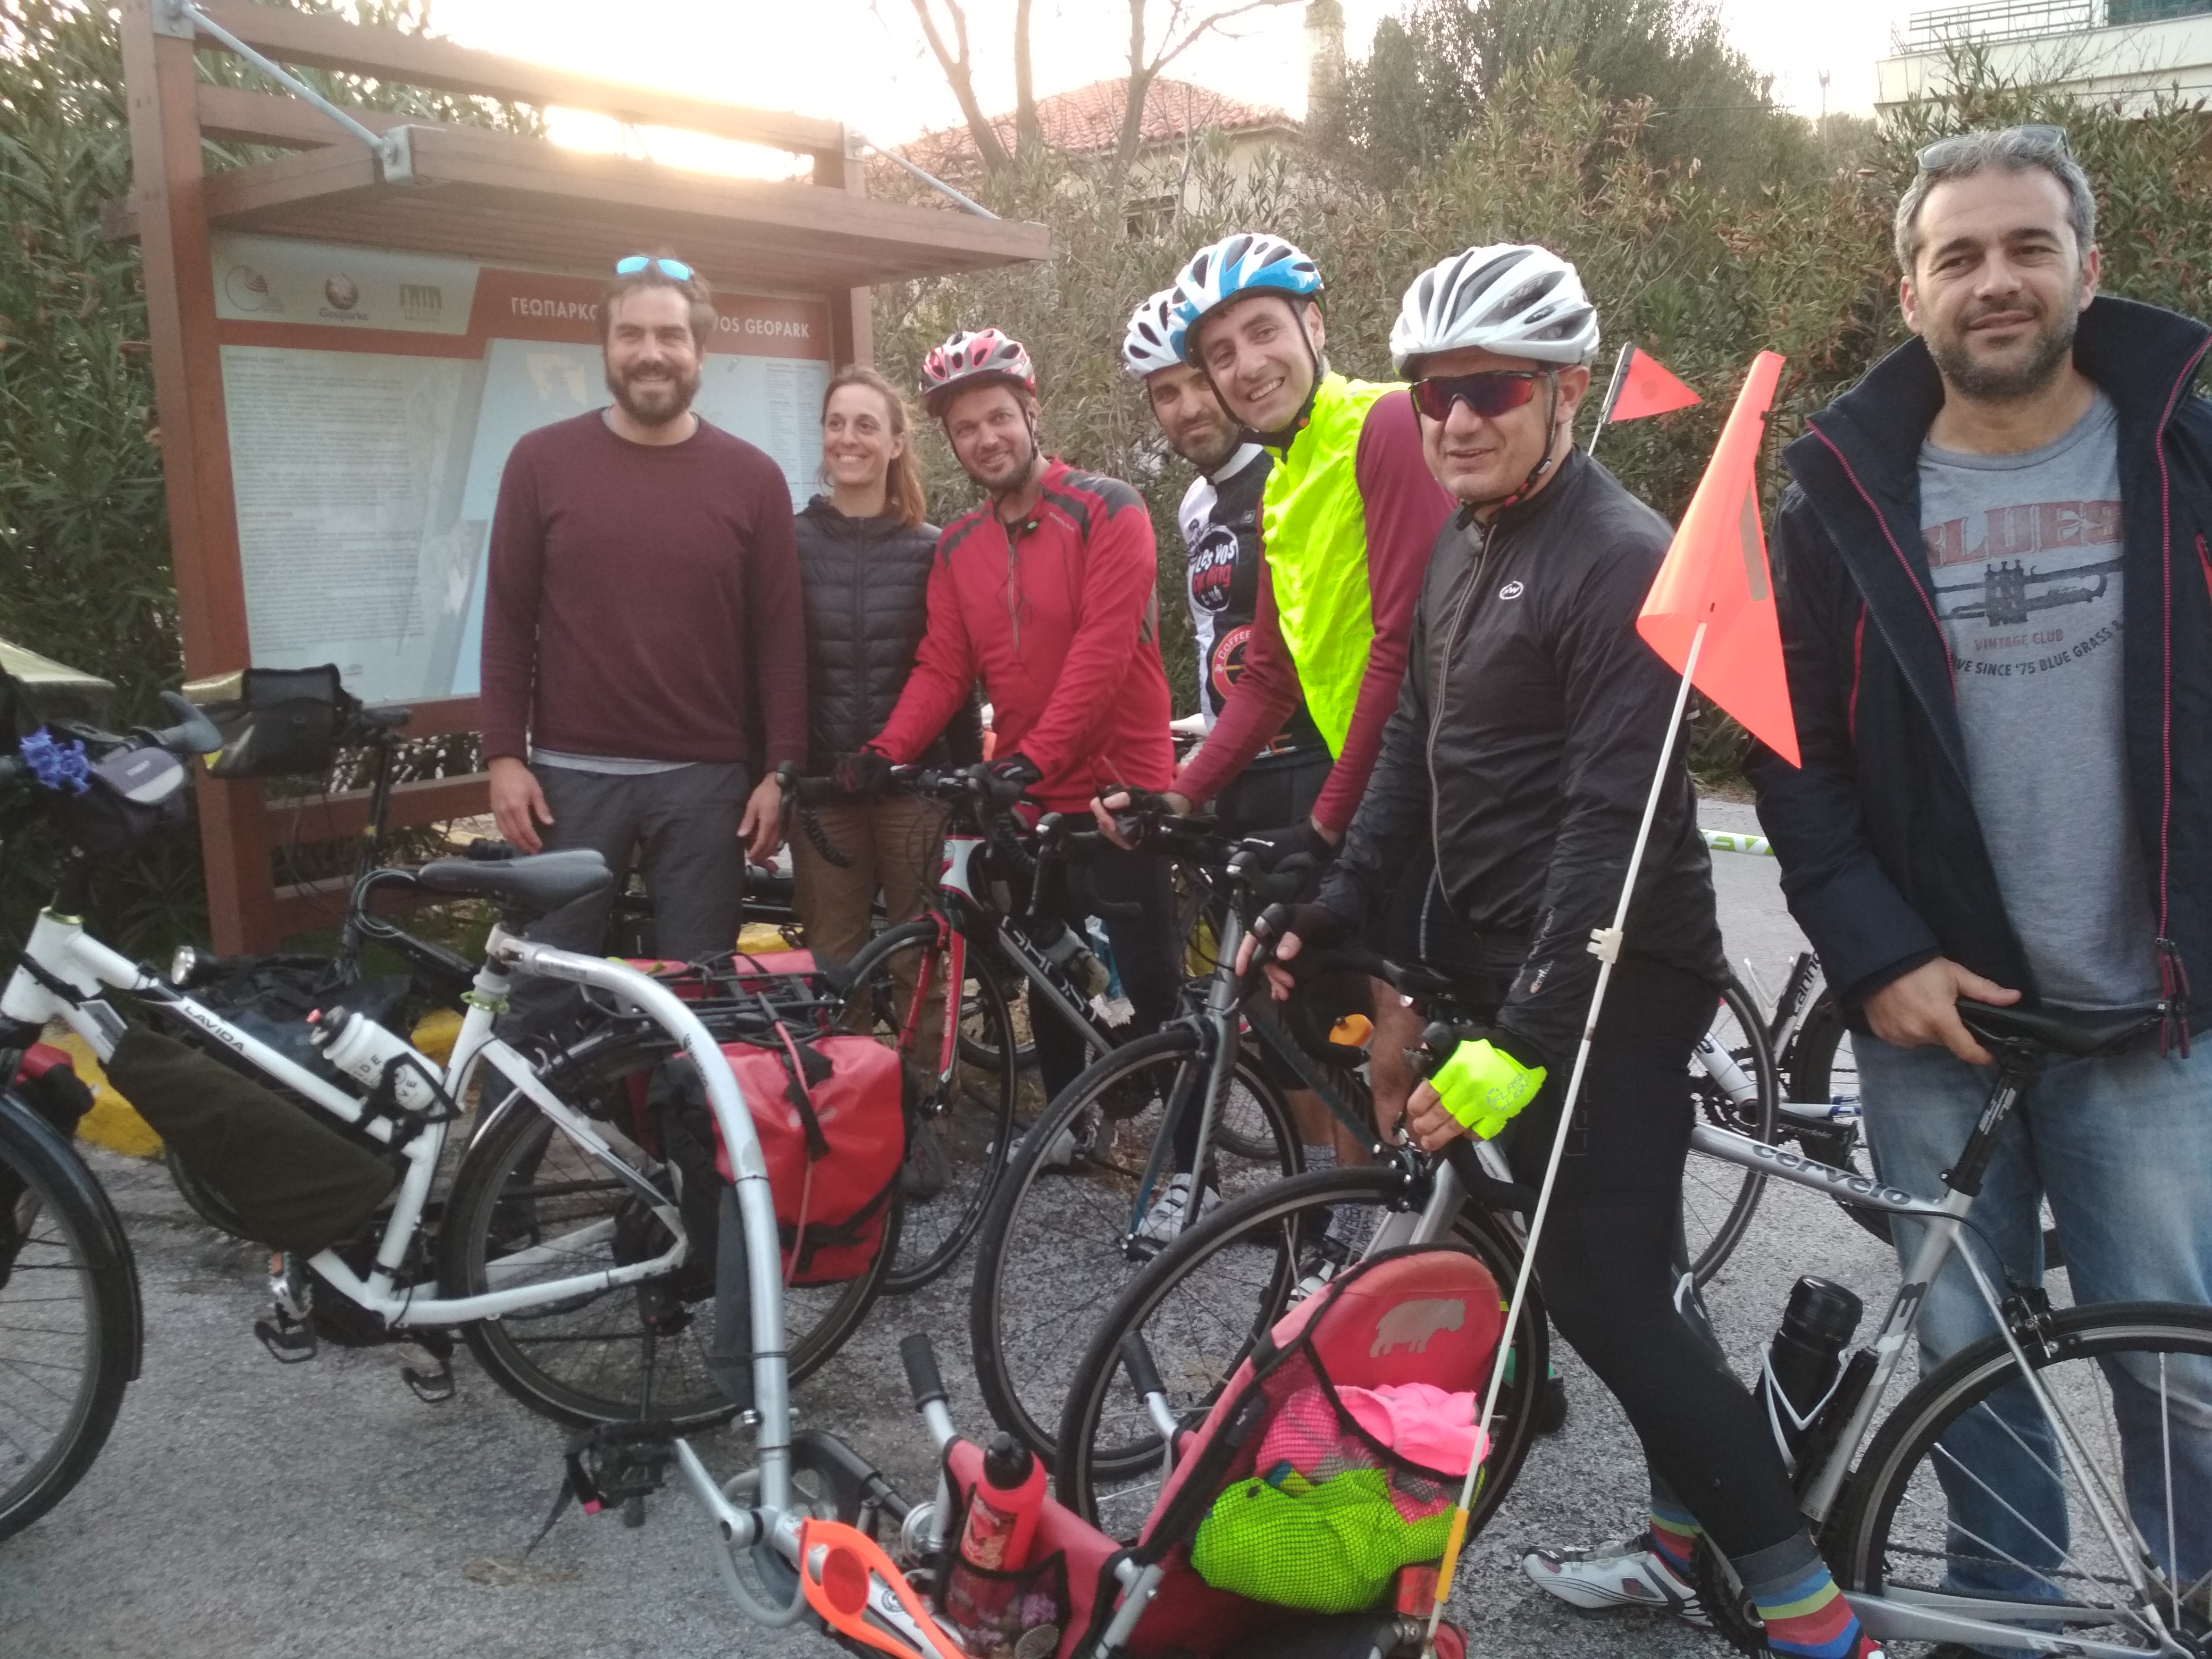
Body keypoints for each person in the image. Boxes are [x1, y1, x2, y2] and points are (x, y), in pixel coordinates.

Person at [1252, 245, 1883, 1659]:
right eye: (1431, 393)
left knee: (1606, 1298)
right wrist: (1338, 900)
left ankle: (1812, 1618)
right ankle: (1678, 1544)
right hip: (1509, 964)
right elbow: (1410, 754)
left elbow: (1611, 824)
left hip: (1615, 983)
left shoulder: (1616, 558)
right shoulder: (1464, 542)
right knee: (1635, 1283)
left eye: (1490, 388)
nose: (1456, 418)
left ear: (1563, 389)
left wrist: (1530, 1034)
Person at [1749, 124, 2212, 1638]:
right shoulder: (1838, 498)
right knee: (1964, 1356)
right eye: (1959, 256)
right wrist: (1876, 955)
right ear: (1910, 293)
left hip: (2152, 1019)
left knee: (2181, 1372)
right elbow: (1791, 757)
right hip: (1934, 1020)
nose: (1994, 280)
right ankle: (2007, 1612)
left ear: (2089, 267)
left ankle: (2192, 1608)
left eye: (2027, 247)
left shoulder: (2190, 458)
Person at [1101, 234, 1454, 1136]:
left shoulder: (1384, 424)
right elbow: (1268, 678)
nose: (1247, 366)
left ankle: (1457, 1222)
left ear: (1315, 327)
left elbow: (1402, 647)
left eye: (1263, 333)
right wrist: (1179, 796)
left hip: (1442, 792)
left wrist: (1327, 824)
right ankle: (1367, 1218)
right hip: (1382, 794)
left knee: (1401, 1061)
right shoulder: (1282, 483)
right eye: (1222, 353)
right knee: (1340, 1046)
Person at [845, 330, 1187, 1216]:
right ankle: (1073, 1123)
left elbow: (1104, 652)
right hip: (1029, 788)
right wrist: (887, 750)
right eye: (966, 428)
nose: (986, 438)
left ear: (1031, 413)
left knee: (1153, 982)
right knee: (1046, 963)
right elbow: (943, 667)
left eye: (998, 417)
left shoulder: (1108, 508)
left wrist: (1034, 756)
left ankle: (1192, 1169)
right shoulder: (959, 545)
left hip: (1122, 784)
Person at [480, 254, 802, 1011]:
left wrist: (779, 773)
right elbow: (508, 617)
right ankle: (532, 1098)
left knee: (698, 999)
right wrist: (503, 756)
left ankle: (683, 1099)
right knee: (545, 990)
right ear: (606, 348)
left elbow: (780, 642)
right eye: (631, 334)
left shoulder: (753, 479)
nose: (650, 352)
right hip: (568, 783)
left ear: (700, 353)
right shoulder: (540, 462)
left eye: (670, 335)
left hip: (705, 787)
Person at [1121, 289, 1362, 1193]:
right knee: (1274, 1013)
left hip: (1321, 765)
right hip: (1245, 769)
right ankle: (1319, 1199)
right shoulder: (1198, 503)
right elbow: (1226, 648)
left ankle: (1368, 1204)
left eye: (1200, 381)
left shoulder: (1300, 466)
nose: (1190, 406)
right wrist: (1193, 766)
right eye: (1167, 393)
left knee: (1343, 1015)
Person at [791, 364, 979, 1078]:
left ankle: (927, 1107)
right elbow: (773, 667)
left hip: (915, 791)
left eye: (866, 425)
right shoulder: (791, 543)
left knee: (919, 963)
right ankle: (848, 1113)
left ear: (896, 442)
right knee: (835, 970)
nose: (849, 438)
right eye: (836, 423)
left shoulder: (933, 548)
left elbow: (955, 677)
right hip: (824, 793)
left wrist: (970, 785)